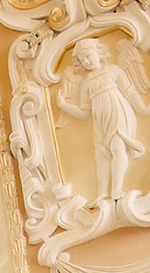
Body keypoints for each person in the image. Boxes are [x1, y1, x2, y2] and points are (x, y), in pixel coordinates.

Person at [57, 37, 150, 201]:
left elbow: (129, 92)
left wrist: (142, 108)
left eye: (89, 56)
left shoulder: (113, 70)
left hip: (118, 114)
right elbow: (84, 112)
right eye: (82, 59)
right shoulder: (85, 83)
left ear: (99, 53)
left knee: (117, 147)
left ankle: (116, 189)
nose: (86, 61)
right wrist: (63, 105)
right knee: (101, 154)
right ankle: (102, 193)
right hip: (101, 122)